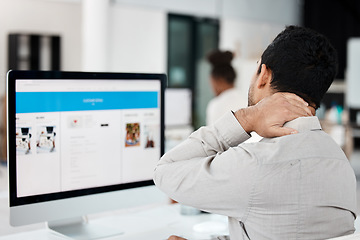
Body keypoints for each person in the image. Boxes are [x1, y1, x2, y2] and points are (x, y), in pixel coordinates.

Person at [154, 25, 357, 240]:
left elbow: (165, 171)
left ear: (264, 75)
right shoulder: (341, 164)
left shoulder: (256, 163)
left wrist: (246, 118)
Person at [206, 50, 247, 126]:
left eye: (211, 83)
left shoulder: (215, 105)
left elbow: (213, 136)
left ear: (219, 81)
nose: (212, 89)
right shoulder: (246, 102)